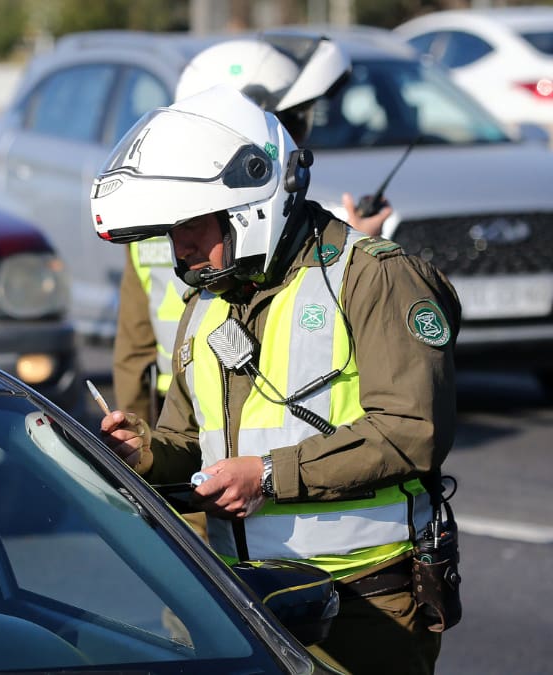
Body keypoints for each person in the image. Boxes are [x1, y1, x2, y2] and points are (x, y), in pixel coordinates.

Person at [91, 85, 459, 674]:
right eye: (168, 227)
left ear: (250, 207)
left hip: (364, 601)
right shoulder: (207, 301)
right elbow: (190, 443)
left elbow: (411, 430)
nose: (177, 245)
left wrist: (266, 475)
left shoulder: (373, 278)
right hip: (235, 598)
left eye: (190, 223)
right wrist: (145, 454)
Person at [113, 34, 392, 427]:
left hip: (203, 412)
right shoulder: (256, 232)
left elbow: (132, 352)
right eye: (283, 121)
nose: (292, 136)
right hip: (196, 409)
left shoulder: (152, 221)